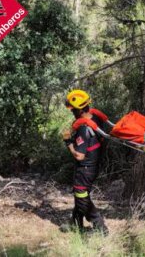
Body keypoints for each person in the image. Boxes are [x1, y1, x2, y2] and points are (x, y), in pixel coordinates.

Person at [61, 89, 109, 234]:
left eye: (73, 110)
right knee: (80, 194)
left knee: (81, 197)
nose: (72, 113)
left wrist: (68, 142)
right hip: (93, 166)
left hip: (85, 168)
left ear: (80, 110)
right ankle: (75, 224)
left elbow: (79, 156)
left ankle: (100, 228)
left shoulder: (83, 129)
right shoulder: (95, 118)